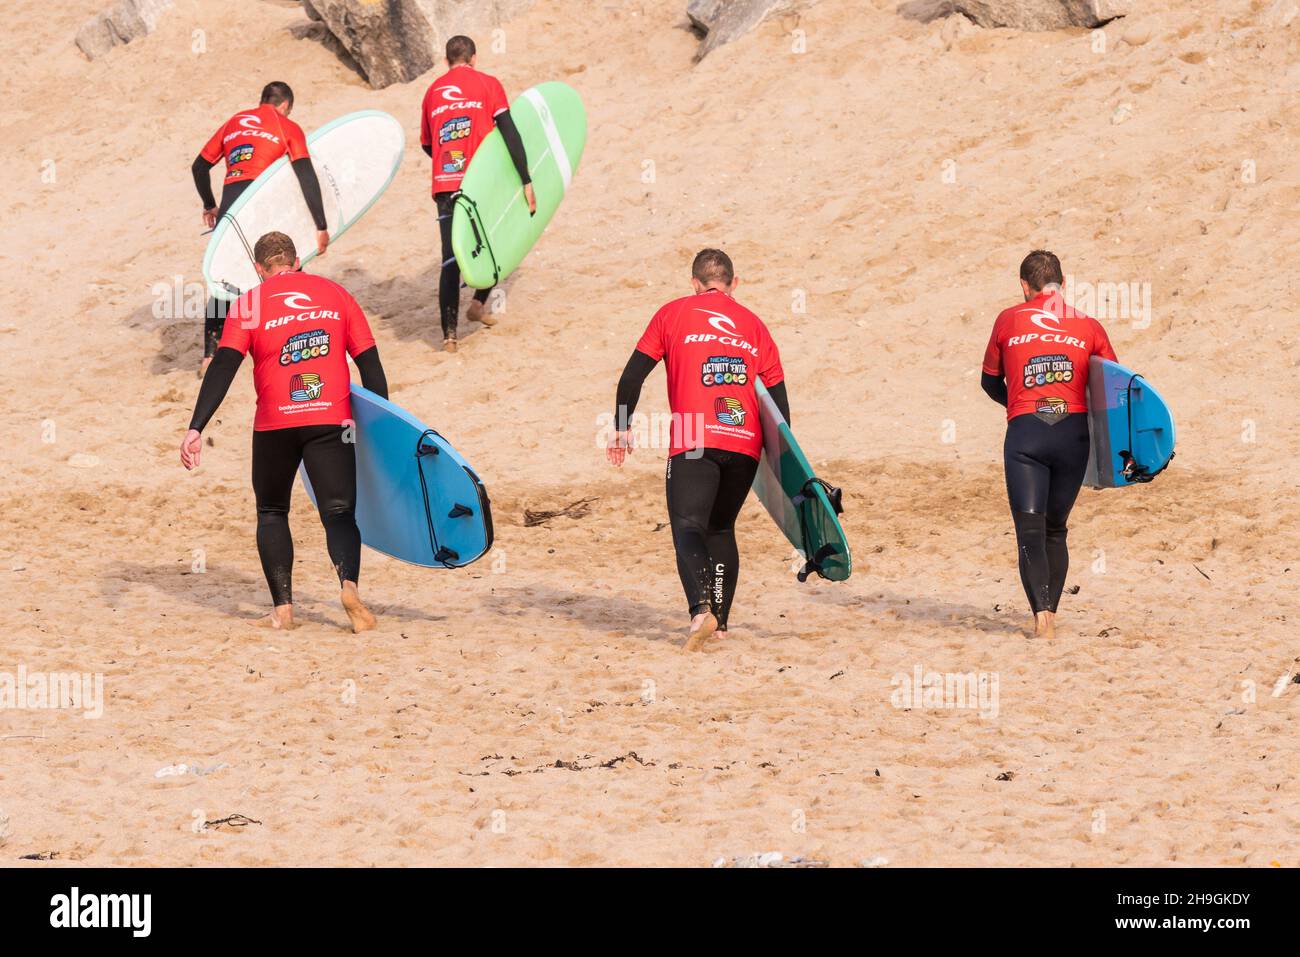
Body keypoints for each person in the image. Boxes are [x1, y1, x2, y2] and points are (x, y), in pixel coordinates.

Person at [180, 231, 388, 633]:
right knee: (339, 512)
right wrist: (379, 429)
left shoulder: (249, 304)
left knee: (272, 511)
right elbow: (371, 367)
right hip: (332, 421)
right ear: (299, 262)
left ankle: (283, 610)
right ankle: (348, 587)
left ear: (259, 270)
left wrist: (196, 427)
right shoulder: (337, 295)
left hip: (276, 423)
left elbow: (223, 366)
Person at [606, 249, 789, 651]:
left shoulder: (673, 313)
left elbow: (631, 377)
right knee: (721, 527)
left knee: (689, 525)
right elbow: (778, 406)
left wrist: (621, 427)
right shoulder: (755, 326)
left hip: (692, 435)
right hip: (745, 440)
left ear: (694, 283)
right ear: (733, 284)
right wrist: (779, 464)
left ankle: (701, 611)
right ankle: (721, 624)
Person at [981, 249, 1117, 639]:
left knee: (1029, 532)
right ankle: (1052, 614)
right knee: (1055, 530)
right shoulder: (1089, 326)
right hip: (1073, 437)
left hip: (1027, 436)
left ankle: (1043, 619)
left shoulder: (1007, 320)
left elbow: (990, 382)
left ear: (1025, 286)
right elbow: (1111, 387)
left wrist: (1022, 406)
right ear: (1062, 284)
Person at [192, 82, 330, 373]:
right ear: (285, 106)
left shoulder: (234, 122)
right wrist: (320, 225)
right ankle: (295, 340)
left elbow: (199, 167)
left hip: (231, 207)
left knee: (224, 277)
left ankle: (209, 354)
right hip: (264, 207)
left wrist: (209, 205)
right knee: (285, 272)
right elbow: (306, 175)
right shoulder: (286, 126)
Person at [419, 35, 535, 353]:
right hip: (479, 182)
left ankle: (450, 337)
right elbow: (509, 131)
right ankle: (479, 300)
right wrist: (525, 178)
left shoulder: (432, 92)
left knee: (450, 260)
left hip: (445, 185)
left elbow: (428, 144)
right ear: (473, 58)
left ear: (447, 61)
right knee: (495, 242)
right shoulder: (488, 84)